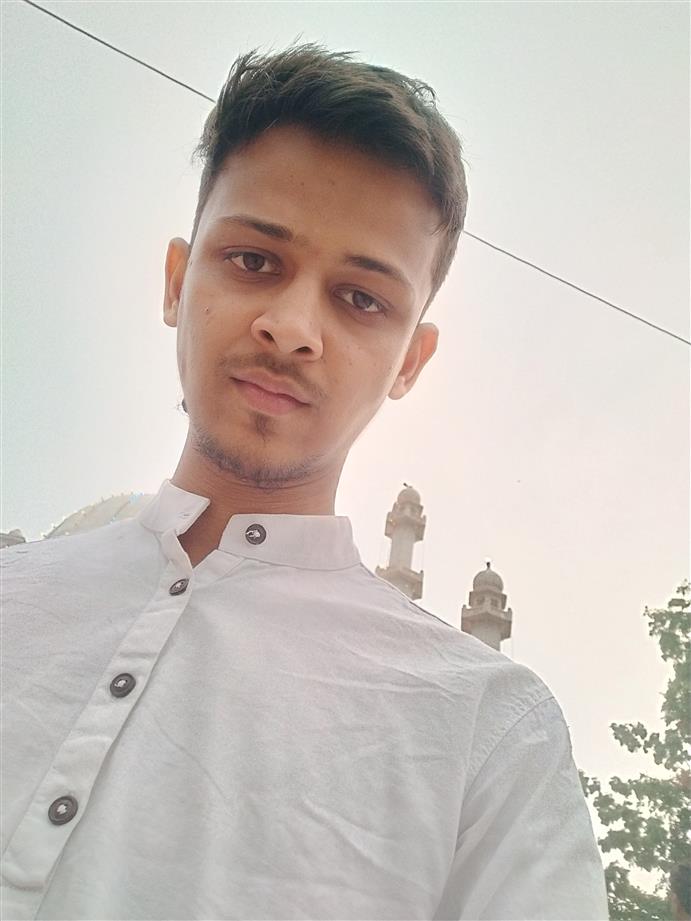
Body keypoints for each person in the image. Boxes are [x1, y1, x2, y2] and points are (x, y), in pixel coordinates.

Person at [1, 42, 609, 920]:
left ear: (411, 362)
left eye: (361, 298)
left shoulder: (486, 729)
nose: (291, 328)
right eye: (254, 260)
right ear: (176, 281)